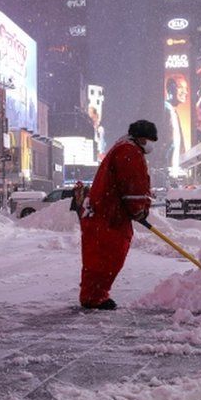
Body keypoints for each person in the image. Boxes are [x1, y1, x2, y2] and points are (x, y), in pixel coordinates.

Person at [79, 120, 156, 310]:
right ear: (143, 138)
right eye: (151, 140)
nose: (152, 145)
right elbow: (133, 186)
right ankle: (94, 296)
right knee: (107, 257)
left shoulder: (121, 149)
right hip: (110, 216)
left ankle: (93, 295)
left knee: (97, 258)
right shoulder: (130, 152)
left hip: (103, 214)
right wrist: (138, 209)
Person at [164, 75, 189, 176]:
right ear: (170, 89)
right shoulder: (166, 111)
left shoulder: (172, 112)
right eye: (181, 87)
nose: (185, 92)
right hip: (168, 170)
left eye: (186, 88)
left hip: (173, 170)